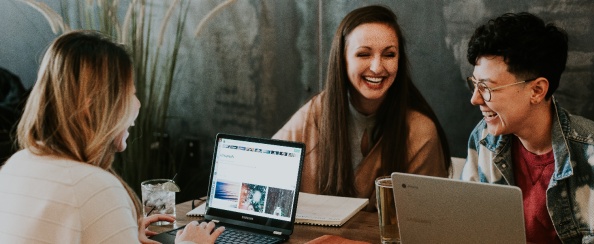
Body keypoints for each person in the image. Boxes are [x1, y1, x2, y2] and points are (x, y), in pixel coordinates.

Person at [460, 12, 594, 243]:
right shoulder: (483, 139)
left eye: (486, 87)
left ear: (536, 91)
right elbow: (467, 224)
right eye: (474, 84)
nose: (475, 99)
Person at [0, 30, 225, 243]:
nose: (137, 104)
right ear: (93, 107)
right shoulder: (96, 188)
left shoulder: (15, 165)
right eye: (130, 94)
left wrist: (118, 229)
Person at [273, 5, 450, 210]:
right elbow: (265, 171)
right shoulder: (315, 113)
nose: (377, 67)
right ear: (342, 60)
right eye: (364, 54)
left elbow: (428, 219)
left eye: (389, 55)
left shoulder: (420, 131)